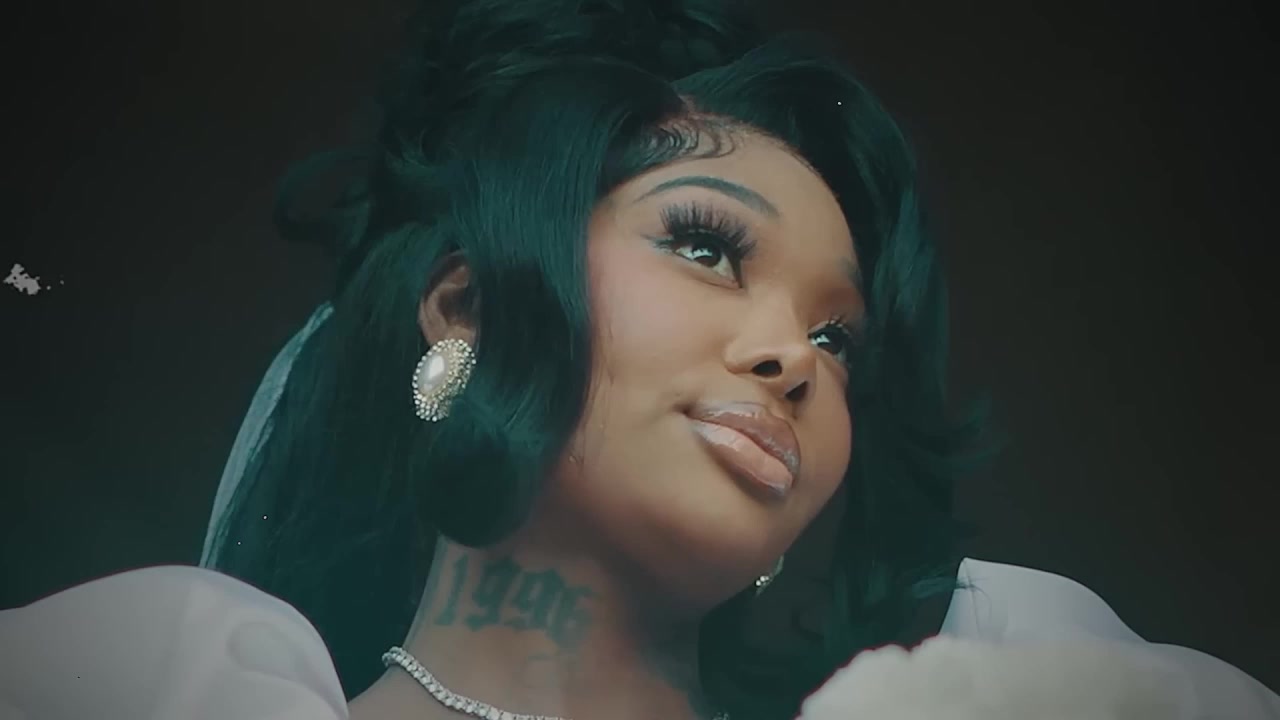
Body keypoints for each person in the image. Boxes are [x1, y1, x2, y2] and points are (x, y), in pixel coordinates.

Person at [1, 1, 1277, 719]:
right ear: (467, 307)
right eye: (706, 246)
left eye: (836, 339)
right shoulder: (151, 690)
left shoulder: (1002, 699)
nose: (792, 360)